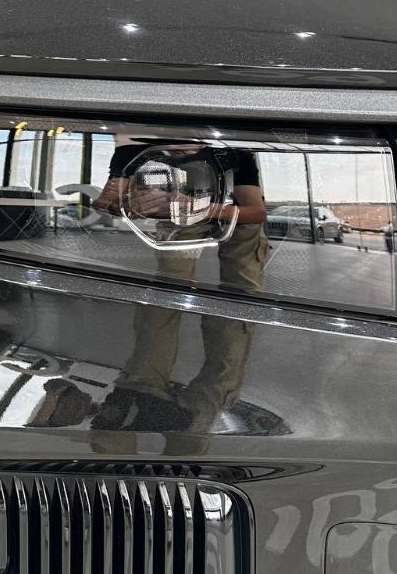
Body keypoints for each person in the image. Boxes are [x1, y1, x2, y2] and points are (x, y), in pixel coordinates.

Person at [92, 142, 269, 435]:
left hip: (232, 217)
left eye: (191, 144)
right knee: (168, 291)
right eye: (176, 144)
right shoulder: (131, 152)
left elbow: (256, 212)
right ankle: (143, 389)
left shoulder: (234, 152)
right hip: (178, 217)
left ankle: (204, 405)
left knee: (241, 297)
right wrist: (132, 205)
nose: (183, 150)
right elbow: (104, 203)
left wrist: (200, 206)